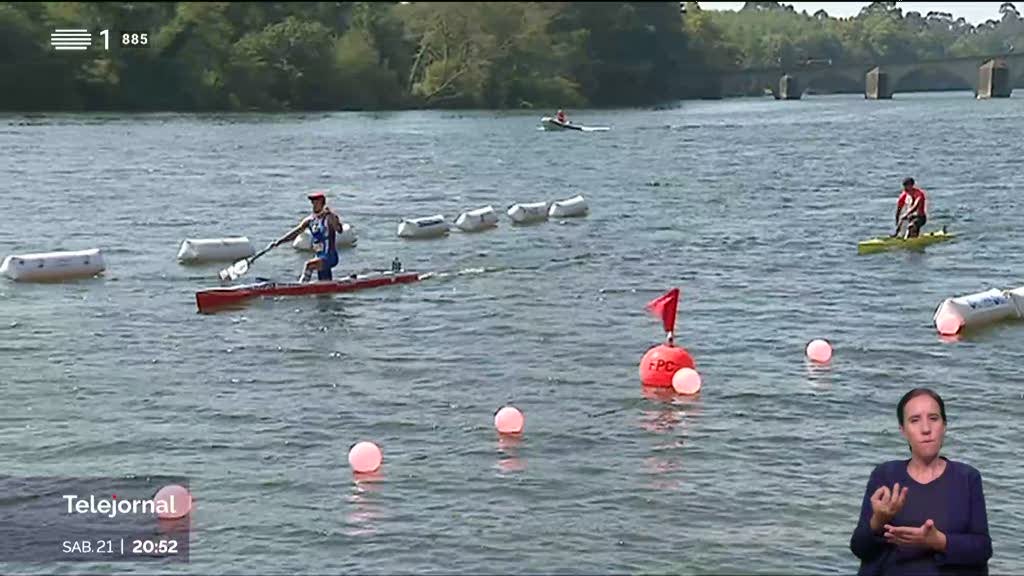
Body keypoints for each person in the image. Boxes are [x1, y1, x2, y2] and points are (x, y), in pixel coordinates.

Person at [850, 388, 992, 575]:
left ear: (944, 425)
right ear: (903, 430)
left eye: (933, 418)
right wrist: (877, 521)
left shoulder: (966, 478)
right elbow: (859, 549)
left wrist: (939, 541)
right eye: (915, 420)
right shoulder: (884, 475)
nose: (926, 429)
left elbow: (983, 549)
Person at [273, 191, 343, 282]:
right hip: (319, 256)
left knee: (309, 265)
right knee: (325, 282)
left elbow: (339, 230)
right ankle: (327, 292)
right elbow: (296, 232)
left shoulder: (329, 217)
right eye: (313, 202)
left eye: (316, 202)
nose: (314, 205)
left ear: (322, 203)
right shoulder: (310, 220)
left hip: (329, 257)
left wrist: (333, 218)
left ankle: (300, 287)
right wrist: (280, 241)